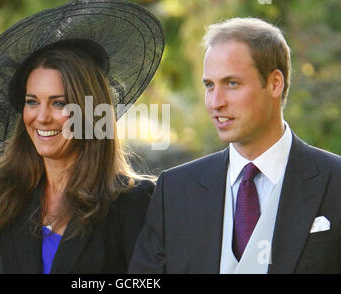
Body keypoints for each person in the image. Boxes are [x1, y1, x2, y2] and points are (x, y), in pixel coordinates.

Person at [0, 0, 164, 274]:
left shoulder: (133, 201)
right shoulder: (8, 190)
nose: (41, 117)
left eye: (59, 103)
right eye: (32, 101)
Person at [129, 17, 340, 274]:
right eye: (209, 85)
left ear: (275, 83)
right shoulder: (174, 190)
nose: (215, 102)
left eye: (231, 84)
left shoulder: (335, 180)